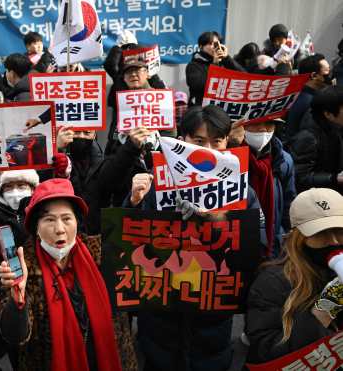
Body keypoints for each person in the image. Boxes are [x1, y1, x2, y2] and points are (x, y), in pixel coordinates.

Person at [127, 105, 267, 371]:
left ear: (227, 142)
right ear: (182, 142)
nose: (209, 150)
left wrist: (220, 221)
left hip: (212, 317)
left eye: (217, 141)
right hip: (161, 314)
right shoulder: (157, 185)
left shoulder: (242, 192)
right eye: (199, 141)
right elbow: (129, 247)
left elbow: (255, 251)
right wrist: (134, 203)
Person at [0, 178, 137, 371]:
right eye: (49, 220)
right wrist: (17, 300)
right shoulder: (22, 268)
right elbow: (15, 336)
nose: (60, 229)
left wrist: (134, 202)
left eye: (66, 218)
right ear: (36, 226)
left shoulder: (103, 254)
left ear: (77, 222)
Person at [246, 188, 343, 363]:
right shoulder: (273, 282)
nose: (334, 241)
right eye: (321, 233)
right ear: (298, 238)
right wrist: (323, 313)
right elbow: (265, 352)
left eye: (340, 231)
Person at [234, 119, 296, 257]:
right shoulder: (228, 158)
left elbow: (289, 204)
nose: (263, 129)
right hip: (237, 246)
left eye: (269, 124)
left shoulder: (283, 160)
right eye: (255, 123)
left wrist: (284, 239)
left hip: (273, 246)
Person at [288, 86, 343, 193]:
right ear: (328, 114)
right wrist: (334, 178)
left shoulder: (337, 125)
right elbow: (300, 177)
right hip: (322, 198)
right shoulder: (308, 138)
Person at [56, 127, 106, 234]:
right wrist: (57, 149)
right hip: (65, 231)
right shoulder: (57, 158)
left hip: (96, 233)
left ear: (94, 134)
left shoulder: (103, 161)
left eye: (87, 132)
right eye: (77, 132)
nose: (82, 136)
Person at [185, 31, 245, 106]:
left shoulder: (224, 61)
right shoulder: (193, 65)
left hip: (222, 107)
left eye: (217, 44)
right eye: (210, 44)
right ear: (201, 46)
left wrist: (226, 58)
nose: (215, 47)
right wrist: (215, 64)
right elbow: (200, 86)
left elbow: (244, 76)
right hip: (201, 109)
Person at [284, 54, 333, 142]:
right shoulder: (310, 102)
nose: (331, 76)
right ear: (314, 75)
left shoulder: (300, 95)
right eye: (327, 72)